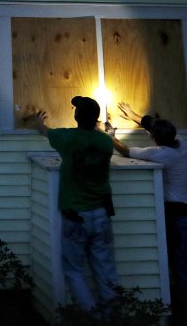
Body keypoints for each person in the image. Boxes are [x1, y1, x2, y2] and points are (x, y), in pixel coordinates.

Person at [109, 102, 187, 326]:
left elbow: (124, 151)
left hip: (184, 223)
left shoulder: (160, 155)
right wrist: (135, 115)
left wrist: (110, 135)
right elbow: (155, 125)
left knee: (186, 274)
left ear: (155, 139)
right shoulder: (185, 146)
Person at [23, 96, 118, 312]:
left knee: (74, 270)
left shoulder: (66, 138)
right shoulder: (105, 142)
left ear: (76, 116)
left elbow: (44, 131)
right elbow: (108, 138)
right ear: (97, 118)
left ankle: (89, 319)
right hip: (102, 214)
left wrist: (38, 122)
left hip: (76, 216)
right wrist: (110, 132)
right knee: (105, 269)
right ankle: (112, 321)